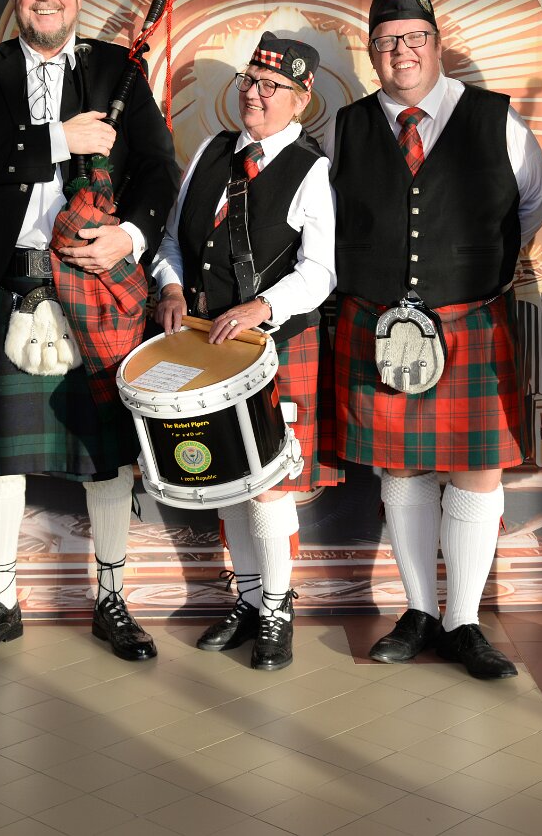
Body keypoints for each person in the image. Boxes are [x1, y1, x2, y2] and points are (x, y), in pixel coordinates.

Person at [0, 0, 179, 663]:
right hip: (7, 278)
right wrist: (55, 139)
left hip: (97, 282)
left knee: (106, 455)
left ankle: (112, 598)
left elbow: (159, 168)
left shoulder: (117, 69)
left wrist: (129, 237)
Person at [331, 0, 542, 680]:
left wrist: (474, 266)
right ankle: (420, 611)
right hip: (378, 323)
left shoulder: (495, 118)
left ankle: (463, 622)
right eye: (386, 42)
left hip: (469, 317)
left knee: (477, 473)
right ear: (372, 53)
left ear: (436, 42)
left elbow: (532, 203)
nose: (401, 52)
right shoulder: (345, 127)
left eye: (414, 38)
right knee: (401, 469)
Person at [149, 33, 337, 672]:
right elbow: (171, 240)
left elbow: (321, 271)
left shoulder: (311, 170)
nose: (254, 95)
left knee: (267, 487)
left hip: (273, 345)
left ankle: (278, 609)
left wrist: (262, 308)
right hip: (207, 343)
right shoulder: (211, 151)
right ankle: (251, 601)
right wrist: (171, 287)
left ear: (301, 99)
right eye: (249, 81)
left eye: (271, 86)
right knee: (229, 477)